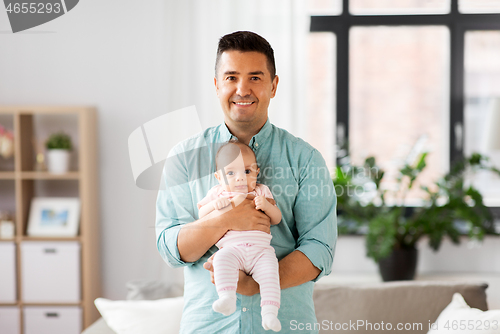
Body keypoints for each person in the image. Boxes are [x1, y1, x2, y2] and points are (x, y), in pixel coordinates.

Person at [156, 31, 337, 333]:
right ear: (216, 85)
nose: (242, 89)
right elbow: (170, 248)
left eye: (255, 77)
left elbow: (320, 249)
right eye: (231, 77)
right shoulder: (184, 158)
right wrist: (227, 219)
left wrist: (257, 285)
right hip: (209, 327)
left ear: (273, 85)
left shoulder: (306, 159)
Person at [198, 139, 282, 331]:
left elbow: (276, 219)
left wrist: (267, 206)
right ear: (218, 177)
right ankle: (226, 298)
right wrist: (215, 207)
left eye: (247, 171)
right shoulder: (218, 194)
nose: (240, 178)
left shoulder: (261, 191)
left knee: (270, 274)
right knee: (220, 260)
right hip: (232, 250)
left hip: (261, 251)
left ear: (257, 172)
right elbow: (201, 215)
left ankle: (270, 313)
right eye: (230, 173)